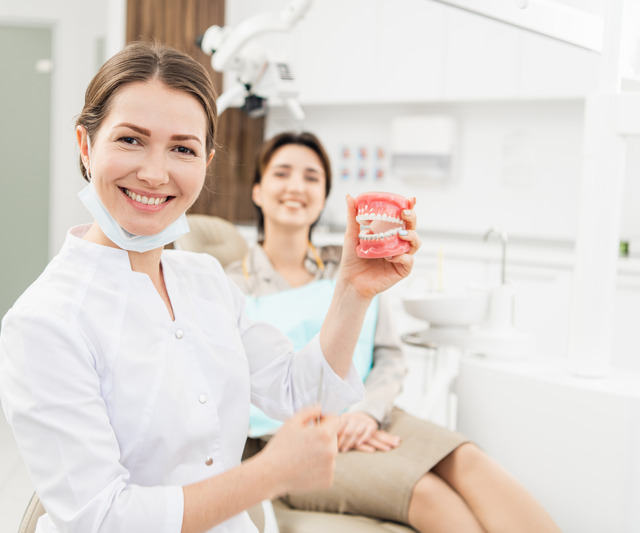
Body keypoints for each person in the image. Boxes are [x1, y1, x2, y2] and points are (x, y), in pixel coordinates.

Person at [0, 42, 421, 533]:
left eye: (183, 148)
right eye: (131, 140)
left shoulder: (205, 281)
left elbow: (300, 393)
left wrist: (352, 289)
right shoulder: (45, 321)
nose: (155, 173)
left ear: (206, 161)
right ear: (86, 146)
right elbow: (103, 518)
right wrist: (268, 475)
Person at [225, 131, 562, 533]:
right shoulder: (229, 286)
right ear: (259, 191)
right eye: (282, 173)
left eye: (312, 177)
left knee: (471, 461)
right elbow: (233, 392)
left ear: (325, 196)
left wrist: (366, 413)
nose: (297, 186)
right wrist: (329, 423)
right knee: (431, 496)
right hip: (293, 442)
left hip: (375, 416)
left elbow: (388, 358)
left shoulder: (349, 269)